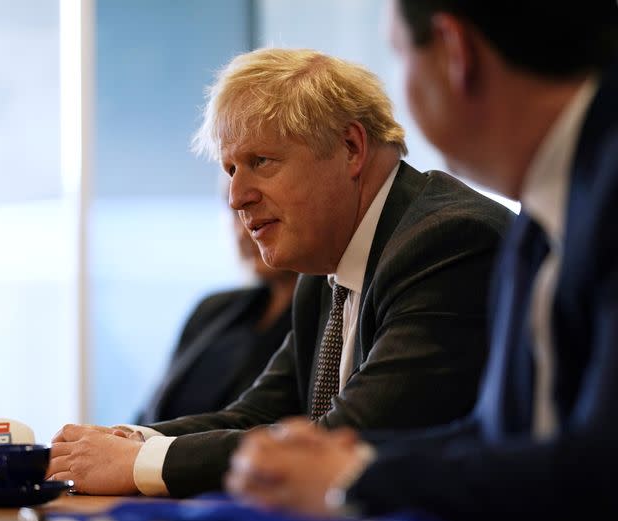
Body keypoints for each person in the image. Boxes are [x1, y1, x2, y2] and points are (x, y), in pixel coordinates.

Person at [46, 47, 512, 498]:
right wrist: (124, 444)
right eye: (230, 168)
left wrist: (136, 465)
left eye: (260, 162)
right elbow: (259, 413)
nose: (236, 196)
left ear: (351, 147)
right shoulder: (324, 268)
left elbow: (342, 442)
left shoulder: (448, 242)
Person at [225, 1, 618, 521]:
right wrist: (349, 466)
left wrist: (354, 480)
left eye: (399, 55)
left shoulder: (485, 228)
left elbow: (601, 472)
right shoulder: (544, 216)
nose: (235, 197)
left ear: (457, 52)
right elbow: (501, 438)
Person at [135, 209, 298, 425]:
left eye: (262, 214)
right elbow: (150, 411)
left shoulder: (323, 323)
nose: (243, 231)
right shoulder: (212, 309)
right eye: (234, 213)